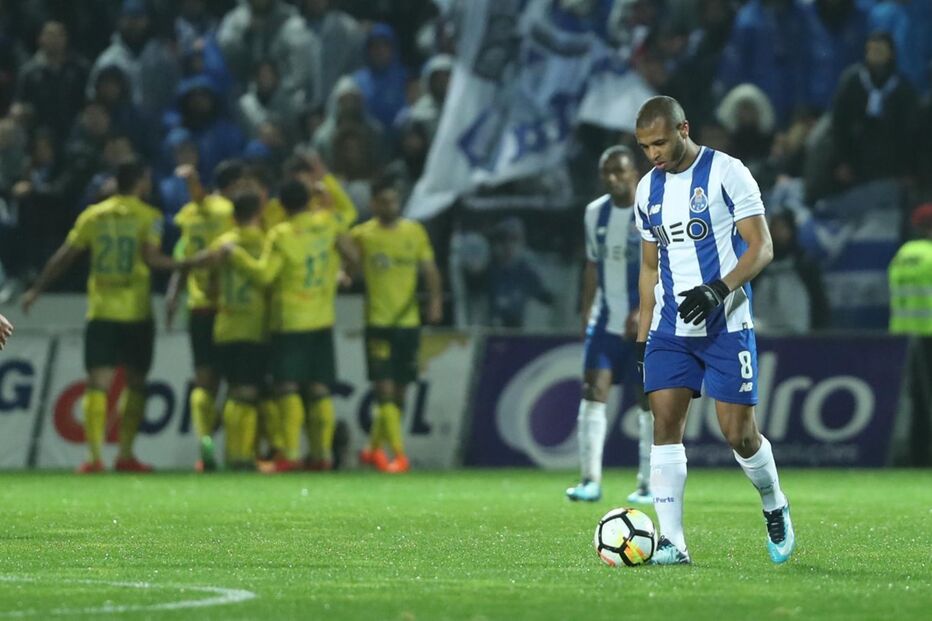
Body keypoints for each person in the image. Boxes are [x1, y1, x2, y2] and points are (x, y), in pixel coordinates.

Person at [632, 96, 794, 565]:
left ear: (684, 128)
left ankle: (773, 502)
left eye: (659, 142)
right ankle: (673, 542)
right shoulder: (647, 191)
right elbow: (648, 269)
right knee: (664, 424)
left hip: (727, 323)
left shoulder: (727, 172)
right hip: (669, 327)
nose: (653, 154)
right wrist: (643, 339)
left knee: (739, 436)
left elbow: (761, 248)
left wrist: (718, 289)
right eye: (644, 147)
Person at [21, 159, 222, 473]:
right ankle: (125, 454)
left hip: (101, 309)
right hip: (136, 312)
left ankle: (93, 458)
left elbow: (66, 255)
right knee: (137, 383)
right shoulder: (149, 217)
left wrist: (37, 288)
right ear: (141, 182)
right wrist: (189, 263)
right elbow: (153, 259)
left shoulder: (93, 215)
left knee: (97, 384)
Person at [229, 180, 358, 472]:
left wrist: (236, 256)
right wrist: (342, 275)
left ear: (282, 206)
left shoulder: (281, 234)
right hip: (322, 317)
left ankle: (290, 454)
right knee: (319, 388)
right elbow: (352, 252)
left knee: (287, 387)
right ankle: (322, 455)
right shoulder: (327, 223)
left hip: (290, 319)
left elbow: (264, 276)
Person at [565, 146, 652, 505]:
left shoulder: (649, 210)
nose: (613, 178)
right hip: (605, 320)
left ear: (635, 172)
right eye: (607, 173)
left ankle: (648, 483)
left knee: (647, 401)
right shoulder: (594, 213)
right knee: (593, 391)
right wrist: (585, 307)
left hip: (645, 322)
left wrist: (645, 307)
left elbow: (663, 265)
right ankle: (590, 481)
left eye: (620, 171)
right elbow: (591, 264)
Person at [350, 175, 443, 473]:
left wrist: (435, 300)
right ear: (374, 203)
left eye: (394, 200)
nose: (391, 205)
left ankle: (372, 450)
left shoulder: (414, 232)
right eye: (384, 201)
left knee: (400, 394)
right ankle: (399, 457)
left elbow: (428, 269)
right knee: (384, 391)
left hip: (408, 322)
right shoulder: (363, 235)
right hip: (378, 322)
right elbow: (346, 262)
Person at [166, 159, 243, 471]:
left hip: (197, 307)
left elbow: (183, 259)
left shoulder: (188, 217)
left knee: (204, 380)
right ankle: (237, 452)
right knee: (239, 384)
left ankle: (205, 441)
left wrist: (173, 295)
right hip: (231, 308)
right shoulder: (229, 213)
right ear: (233, 186)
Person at [209, 191, 269, 470]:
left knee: (234, 391)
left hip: (225, 324)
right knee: (247, 394)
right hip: (254, 326)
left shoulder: (221, 244)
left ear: (233, 216)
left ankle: (231, 453)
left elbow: (210, 285)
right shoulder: (267, 242)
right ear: (260, 212)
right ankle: (240, 457)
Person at [888, 204, 932, 466]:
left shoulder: (902, 254)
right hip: (930, 335)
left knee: (916, 399)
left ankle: (918, 454)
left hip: (905, 336)